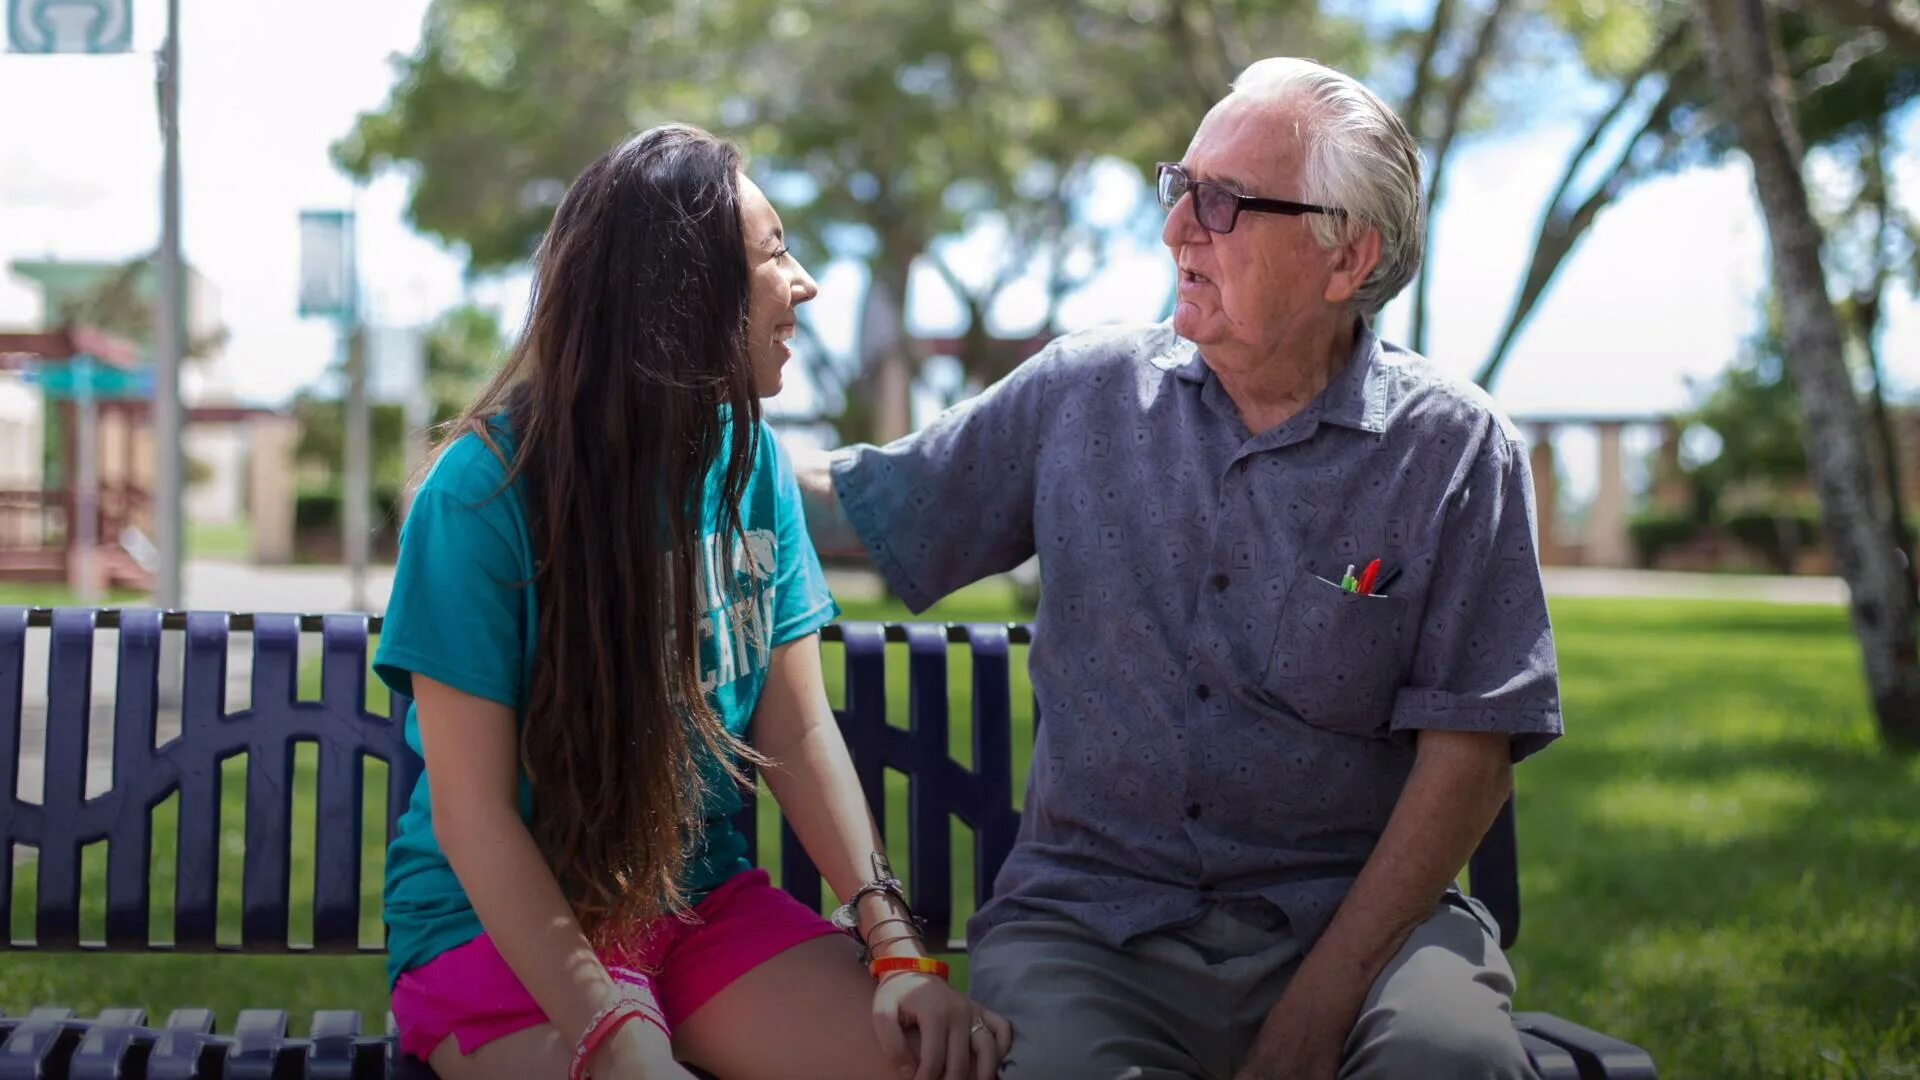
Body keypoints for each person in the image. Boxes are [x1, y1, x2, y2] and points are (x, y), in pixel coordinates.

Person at [800, 59, 1562, 1080]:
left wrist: (1316, 1011)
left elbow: (1469, 759)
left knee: (1450, 1064)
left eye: (1224, 202)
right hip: (1089, 930)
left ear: (1350, 259)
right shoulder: (1085, 396)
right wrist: (629, 443)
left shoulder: (1456, 450)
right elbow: (856, 512)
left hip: (1363, 929)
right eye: (1180, 187)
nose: (1176, 230)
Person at [374, 124, 1010, 1080]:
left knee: (927, 1067)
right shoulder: (484, 495)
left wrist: (897, 951)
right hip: (501, 932)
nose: (805, 282)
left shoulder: (751, 468)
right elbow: (474, 818)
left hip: (695, 910)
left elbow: (795, 730)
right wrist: (610, 1030)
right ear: (683, 296)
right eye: (774, 253)